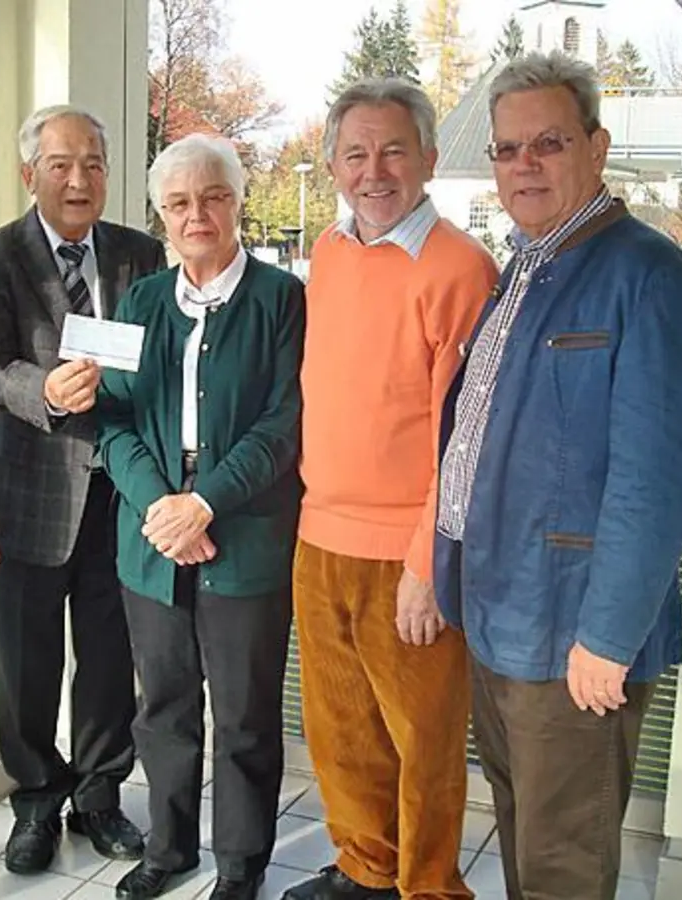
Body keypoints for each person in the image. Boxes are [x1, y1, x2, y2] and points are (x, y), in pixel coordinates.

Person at [433, 52, 682, 900]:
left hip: (574, 635)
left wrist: (609, 636)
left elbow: (657, 480)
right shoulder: (524, 266)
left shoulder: (650, 278)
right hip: (499, 613)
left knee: (564, 859)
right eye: (507, 148)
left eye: (548, 143)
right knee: (524, 830)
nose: (525, 165)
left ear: (596, 147)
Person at [286, 79, 498, 900]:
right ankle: (367, 874)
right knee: (342, 736)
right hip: (319, 539)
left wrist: (426, 563)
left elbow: (467, 438)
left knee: (425, 744)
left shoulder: (461, 269)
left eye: (393, 151)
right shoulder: (331, 254)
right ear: (334, 164)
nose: (374, 171)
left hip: (406, 557)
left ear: (431, 160)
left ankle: (430, 887)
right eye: (355, 153)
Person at [0, 105, 165, 872]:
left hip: (120, 493)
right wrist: (44, 390)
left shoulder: (142, 255)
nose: (79, 180)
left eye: (94, 165)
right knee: (26, 662)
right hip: (27, 494)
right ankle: (36, 803)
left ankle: (100, 797)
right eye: (61, 165)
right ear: (29, 174)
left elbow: (163, 356)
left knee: (112, 660)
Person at [97, 134, 304, 900]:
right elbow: (111, 420)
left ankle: (241, 864)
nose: (198, 215)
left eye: (213, 197)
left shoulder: (283, 299)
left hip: (243, 532)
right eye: (180, 203)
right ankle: (170, 845)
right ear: (160, 215)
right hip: (152, 533)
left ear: (239, 203)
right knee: (163, 706)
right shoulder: (141, 302)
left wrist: (205, 501)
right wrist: (162, 505)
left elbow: (284, 424)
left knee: (246, 715)